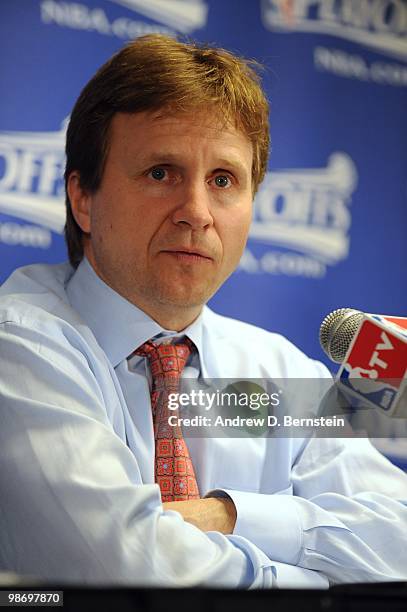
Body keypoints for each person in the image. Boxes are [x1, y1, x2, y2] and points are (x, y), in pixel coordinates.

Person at [0, 34, 406, 589]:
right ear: (83, 199)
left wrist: (229, 514)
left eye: (223, 181)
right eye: (162, 172)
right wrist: (315, 583)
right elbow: (129, 568)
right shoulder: (20, 343)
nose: (196, 212)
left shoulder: (277, 370)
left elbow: (400, 534)